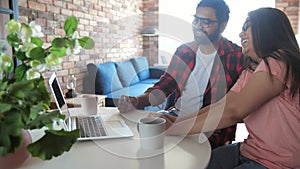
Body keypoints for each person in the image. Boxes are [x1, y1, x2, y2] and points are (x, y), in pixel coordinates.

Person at [161, 7, 300, 169]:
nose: (241, 34)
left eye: (247, 27)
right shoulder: (251, 71)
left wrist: (174, 129)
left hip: (277, 163)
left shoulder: (279, 62)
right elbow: (222, 106)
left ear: (267, 28)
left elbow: (233, 112)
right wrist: (177, 121)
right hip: (250, 150)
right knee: (197, 164)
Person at [118, 0, 244, 149]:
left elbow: (240, 106)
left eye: (206, 22)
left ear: (223, 25)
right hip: (174, 118)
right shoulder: (184, 52)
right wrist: (137, 101)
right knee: (138, 143)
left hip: (208, 130)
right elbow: (164, 86)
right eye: (196, 19)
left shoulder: (237, 56)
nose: (197, 26)